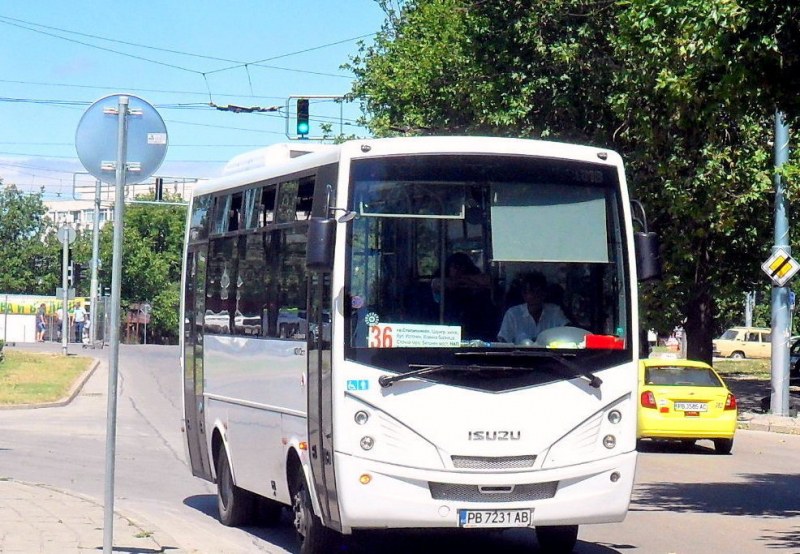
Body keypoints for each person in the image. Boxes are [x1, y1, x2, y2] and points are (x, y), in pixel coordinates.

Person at [431, 252, 495, 340]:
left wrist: (465, 279)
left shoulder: (473, 283)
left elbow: (486, 280)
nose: (459, 270)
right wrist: (458, 281)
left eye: (462, 266)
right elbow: (437, 283)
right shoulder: (440, 281)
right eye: (455, 267)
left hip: (474, 325)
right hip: (448, 327)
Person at [498, 271, 569, 344]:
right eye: (532, 291)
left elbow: (569, 332)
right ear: (524, 294)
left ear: (544, 293)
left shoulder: (555, 311)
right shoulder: (512, 314)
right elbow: (504, 342)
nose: (536, 295)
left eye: (539, 291)